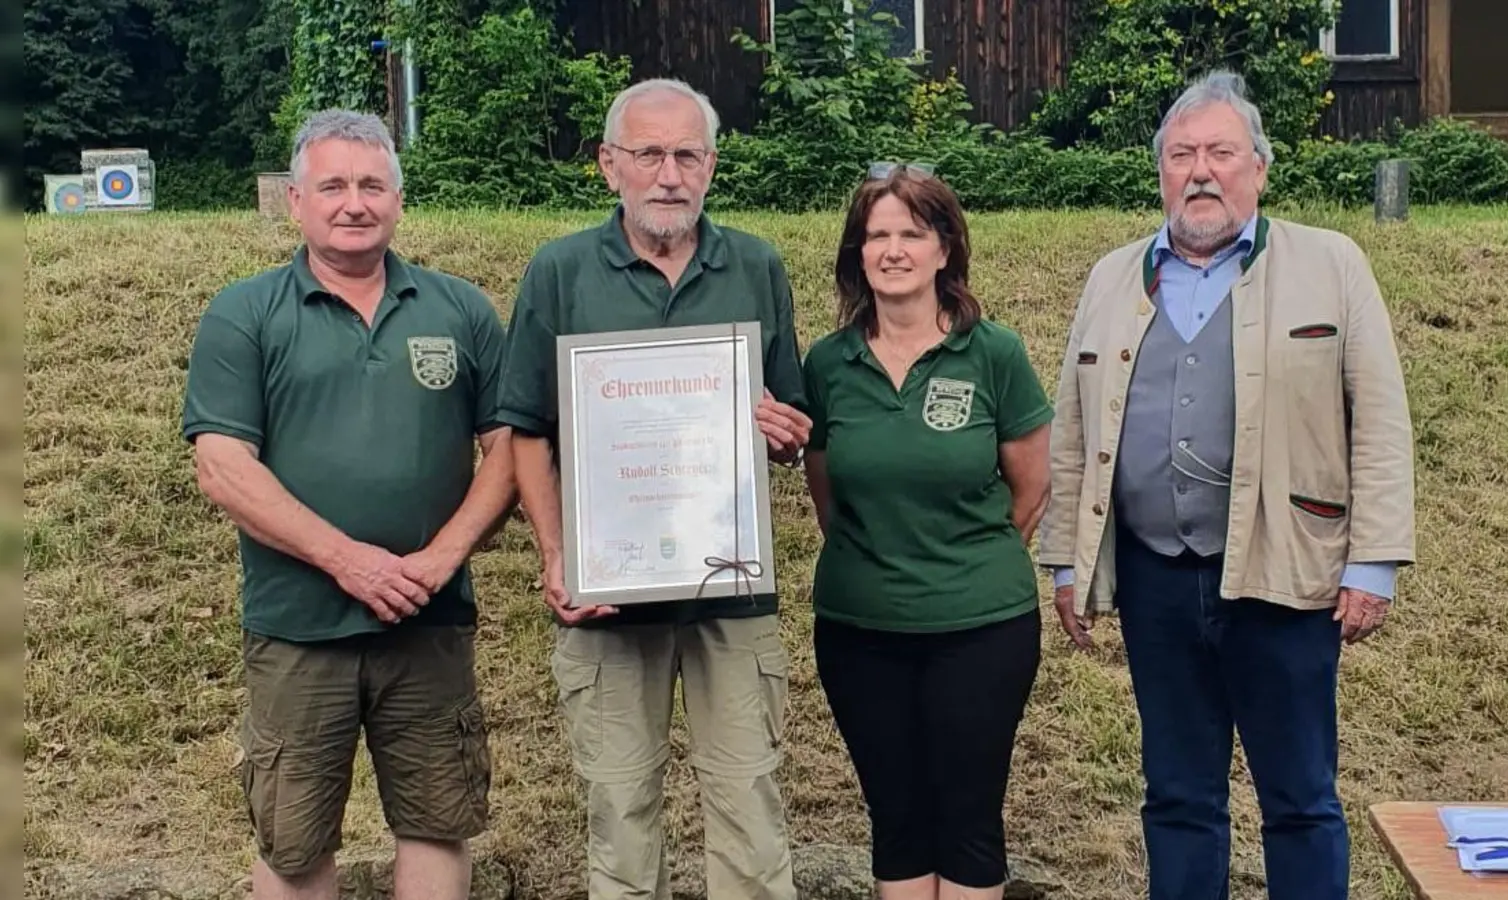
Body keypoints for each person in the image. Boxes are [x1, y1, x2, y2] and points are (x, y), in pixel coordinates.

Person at [1035, 69, 1417, 900]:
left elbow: (1381, 418)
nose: (1200, 170)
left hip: (1287, 577)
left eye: (1220, 152)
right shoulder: (1111, 277)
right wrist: (1066, 559)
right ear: (1161, 171)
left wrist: (1373, 562)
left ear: (1259, 167)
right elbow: (1073, 427)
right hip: (1155, 578)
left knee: (1301, 798)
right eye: (1181, 154)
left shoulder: (1332, 265)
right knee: (1177, 795)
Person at [180, 110, 516, 900]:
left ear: (399, 199)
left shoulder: (461, 310)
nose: (353, 203)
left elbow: (511, 451)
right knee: (293, 842)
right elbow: (222, 466)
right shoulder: (245, 313)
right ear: (295, 201)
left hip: (429, 620)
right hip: (299, 627)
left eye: (372, 185)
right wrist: (347, 560)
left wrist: (440, 560)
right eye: (332, 185)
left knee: (438, 822)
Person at [494, 78, 810, 900]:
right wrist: (557, 553)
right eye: (648, 154)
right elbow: (523, 428)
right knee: (620, 814)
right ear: (609, 165)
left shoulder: (756, 264)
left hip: (729, 593)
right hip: (608, 596)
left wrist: (786, 431)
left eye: (687, 154)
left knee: (750, 814)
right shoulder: (560, 271)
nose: (669, 174)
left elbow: (790, 419)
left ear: (711, 165)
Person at [798, 164, 1054, 900]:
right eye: (877, 235)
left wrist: (960, 563)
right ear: (858, 254)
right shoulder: (828, 362)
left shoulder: (993, 353)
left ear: (945, 248)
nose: (894, 249)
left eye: (913, 232)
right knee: (897, 816)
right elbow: (829, 495)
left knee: (969, 818)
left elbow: (1030, 488)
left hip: (981, 627)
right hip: (860, 628)